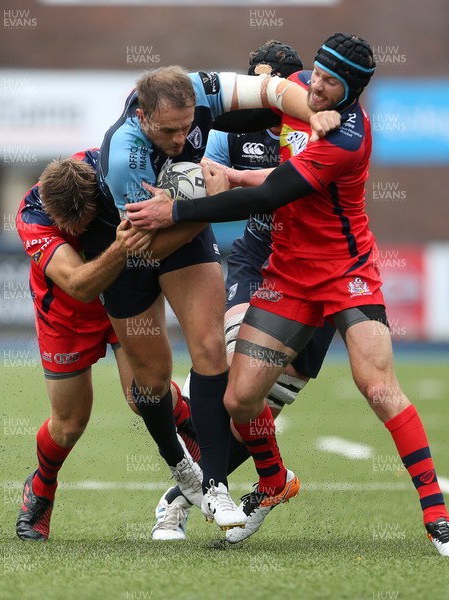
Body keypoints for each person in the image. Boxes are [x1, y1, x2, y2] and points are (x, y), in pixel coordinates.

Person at [124, 34, 449, 558]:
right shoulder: (302, 90)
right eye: (318, 75)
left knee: (376, 385)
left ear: (354, 89)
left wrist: (174, 211)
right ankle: (272, 480)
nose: (320, 87)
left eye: (333, 83)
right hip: (287, 274)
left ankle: (437, 515)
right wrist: (176, 126)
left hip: (345, 271)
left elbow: (271, 193)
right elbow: (247, 124)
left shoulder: (348, 139)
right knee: (240, 398)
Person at [87, 65, 319, 529]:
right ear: (144, 117)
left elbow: (274, 90)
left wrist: (317, 116)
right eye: (170, 130)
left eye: (188, 125)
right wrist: (201, 207)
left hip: (186, 230)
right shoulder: (123, 160)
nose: (182, 137)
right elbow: (148, 248)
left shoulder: (198, 89)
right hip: (137, 249)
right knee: (147, 388)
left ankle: (216, 486)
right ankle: (182, 467)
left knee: (211, 349)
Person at [150, 41, 336, 542]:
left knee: (252, 411)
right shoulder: (230, 131)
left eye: (269, 88)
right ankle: (240, 485)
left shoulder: (323, 132)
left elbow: (284, 188)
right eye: (253, 88)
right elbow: (207, 185)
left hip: (320, 272)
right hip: (257, 263)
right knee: (235, 388)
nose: (258, 101)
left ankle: (263, 485)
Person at [15, 149, 200, 541]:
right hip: (66, 313)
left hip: (125, 296)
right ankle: (42, 489)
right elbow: (80, 285)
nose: (79, 233)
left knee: (144, 394)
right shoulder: (32, 214)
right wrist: (121, 244)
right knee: (69, 424)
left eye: (83, 223)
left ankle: (196, 437)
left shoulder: (114, 167)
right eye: (70, 227)